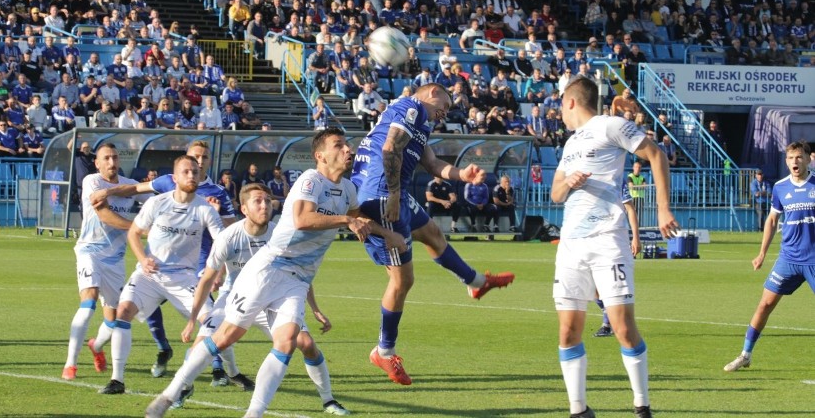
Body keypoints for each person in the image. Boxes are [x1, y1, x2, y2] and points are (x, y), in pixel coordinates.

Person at [145, 128, 403, 417]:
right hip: (270, 267)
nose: (348, 150)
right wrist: (346, 220)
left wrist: (385, 234)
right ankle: (168, 396)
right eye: (339, 145)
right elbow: (303, 219)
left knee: (289, 341)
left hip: (298, 278)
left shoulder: (348, 189)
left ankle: (254, 413)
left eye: (348, 145)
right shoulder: (310, 180)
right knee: (227, 336)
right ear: (320, 155)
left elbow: (357, 218)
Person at [351, 82, 515, 385]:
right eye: (446, 104)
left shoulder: (418, 122)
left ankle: (475, 282)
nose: (445, 112)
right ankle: (384, 352)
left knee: (432, 233)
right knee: (403, 280)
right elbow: (389, 148)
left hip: (387, 190)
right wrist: (396, 194)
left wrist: (460, 174)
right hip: (382, 194)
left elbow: (432, 164)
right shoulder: (410, 108)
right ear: (432, 93)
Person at [550, 76, 677, 418]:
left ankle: (642, 405)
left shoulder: (610, 126)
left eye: (561, 102)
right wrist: (570, 182)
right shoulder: (570, 144)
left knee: (622, 327)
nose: (559, 109)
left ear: (572, 101)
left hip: (608, 239)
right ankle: (579, 411)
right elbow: (555, 193)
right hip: (571, 245)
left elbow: (656, 154)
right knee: (568, 330)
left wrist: (663, 208)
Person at [165, 183, 351, 415]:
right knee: (202, 344)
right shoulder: (229, 236)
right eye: (258, 201)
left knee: (306, 344)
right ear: (244, 209)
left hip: (275, 297)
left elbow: (299, 273)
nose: (265, 206)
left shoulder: (281, 233)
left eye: (267, 201)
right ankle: (183, 388)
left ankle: (328, 400)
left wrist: (315, 308)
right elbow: (206, 279)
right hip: (235, 297)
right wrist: (193, 320)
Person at [90, 141, 238, 383]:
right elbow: (135, 200)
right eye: (192, 161)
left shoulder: (215, 198)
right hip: (152, 270)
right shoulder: (161, 193)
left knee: (212, 320)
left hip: (193, 269)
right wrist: (107, 191)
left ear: (208, 162)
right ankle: (123, 374)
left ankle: (220, 369)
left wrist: (219, 271)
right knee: (125, 311)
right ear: (177, 171)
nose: (197, 166)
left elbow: (227, 236)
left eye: (202, 160)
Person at [724, 142, 815, 373]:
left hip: (813, 259)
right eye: (791, 157)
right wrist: (762, 253)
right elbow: (773, 220)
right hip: (788, 259)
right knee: (764, 304)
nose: (795, 162)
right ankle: (745, 354)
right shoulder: (780, 188)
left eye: (800, 157)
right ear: (786, 161)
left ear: (808, 159)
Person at [62, 144, 146, 381]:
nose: (111, 162)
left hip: (115, 260)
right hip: (89, 251)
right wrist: (138, 229)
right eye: (106, 158)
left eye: (115, 157)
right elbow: (105, 215)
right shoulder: (93, 181)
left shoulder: (130, 185)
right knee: (87, 304)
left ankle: (96, 347)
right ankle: (71, 364)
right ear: (97, 163)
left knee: (114, 320)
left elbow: (158, 196)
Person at [594, 180, 641, 338]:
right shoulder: (587, 178)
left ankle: (608, 323)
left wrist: (635, 238)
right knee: (590, 285)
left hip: (613, 241)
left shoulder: (617, 181)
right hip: (590, 240)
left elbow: (630, 208)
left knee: (613, 286)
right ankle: (608, 314)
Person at [627, 161, 646, 228]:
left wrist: (636, 187)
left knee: (639, 213)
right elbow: (631, 186)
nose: (637, 168)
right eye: (636, 167)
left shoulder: (642, 177)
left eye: (639, 167)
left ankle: (638, 227)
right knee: (632, 213)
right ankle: (631, 226)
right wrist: (640, 186)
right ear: (633, 168)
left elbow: (644, 186)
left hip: (640, 197)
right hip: (633, 197)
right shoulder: (630, 176)